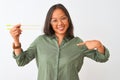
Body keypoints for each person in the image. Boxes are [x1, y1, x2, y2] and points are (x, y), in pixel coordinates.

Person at [10, 3, 110, 80]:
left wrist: (99, 45)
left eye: (63, 18)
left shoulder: (78, 43)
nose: (60, 23)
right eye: (54, 20)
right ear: (49, 22)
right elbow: (21, 61)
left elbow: (102, 58)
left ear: (68, 20)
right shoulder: (40, 41)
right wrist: (16, 40)